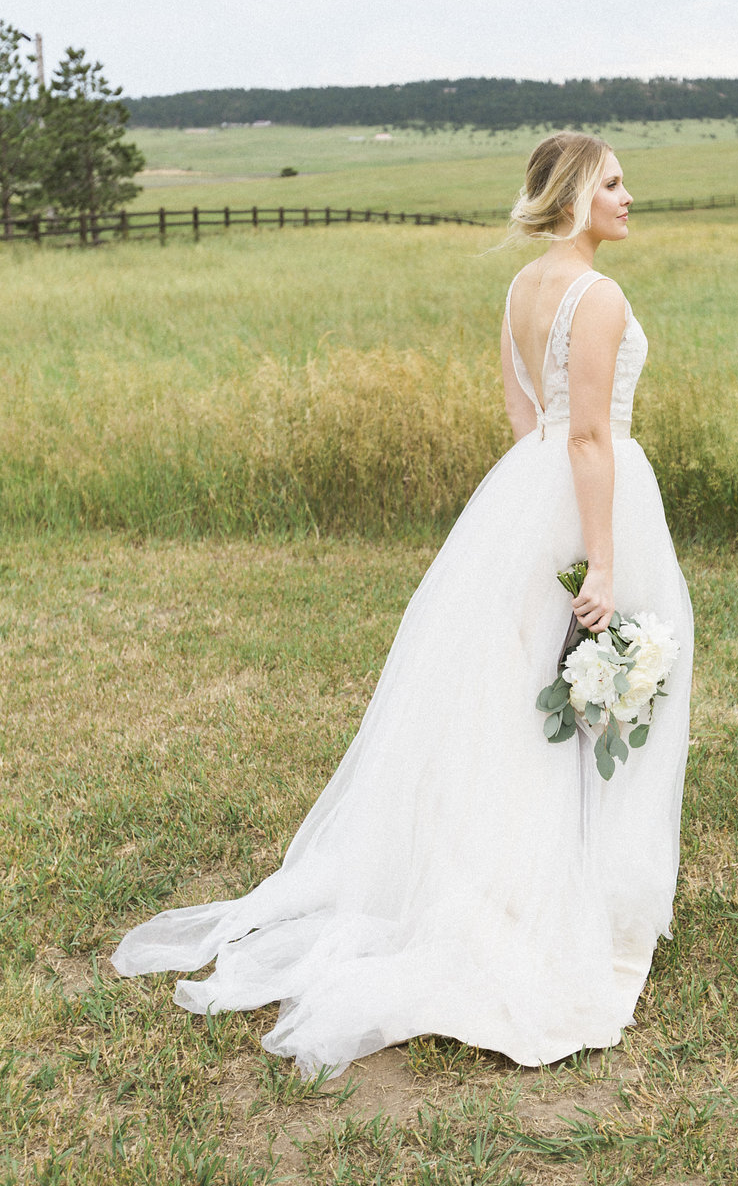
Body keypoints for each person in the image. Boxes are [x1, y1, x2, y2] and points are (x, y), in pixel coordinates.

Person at [112, 131, 693, 1077]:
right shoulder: (601, 294)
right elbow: (589, 436)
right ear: (577, 195)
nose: (631, 197)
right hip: (589, 497)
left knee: (523, 697)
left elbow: (528, 422)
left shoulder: (521, 290)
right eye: (616, 183)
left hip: (523, 491)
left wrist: (534, 513)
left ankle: (515, 877)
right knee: (589, 686)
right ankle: (557, 901)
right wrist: (599, 560)